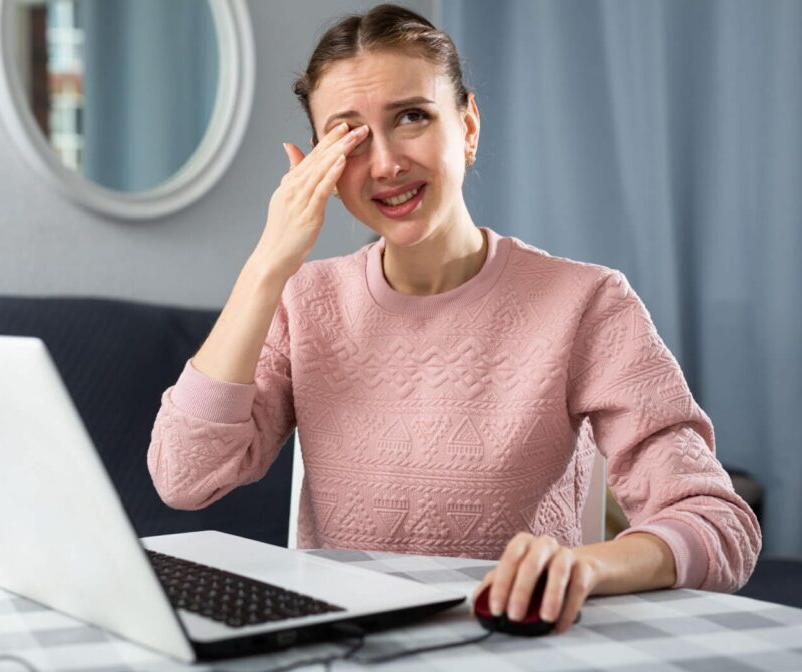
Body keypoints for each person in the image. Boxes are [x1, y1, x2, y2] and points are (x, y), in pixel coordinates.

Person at [147, 4, 760, 634]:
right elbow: (184, 478)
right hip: (345, 646)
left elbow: (719, 524)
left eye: (412, 116)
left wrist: (586, 568)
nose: (385, 164)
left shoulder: (586, 302)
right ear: (320, 168)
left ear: (467, 126)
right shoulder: (302, 302)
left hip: (505, 646)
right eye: (350, 135)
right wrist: (267, 265)